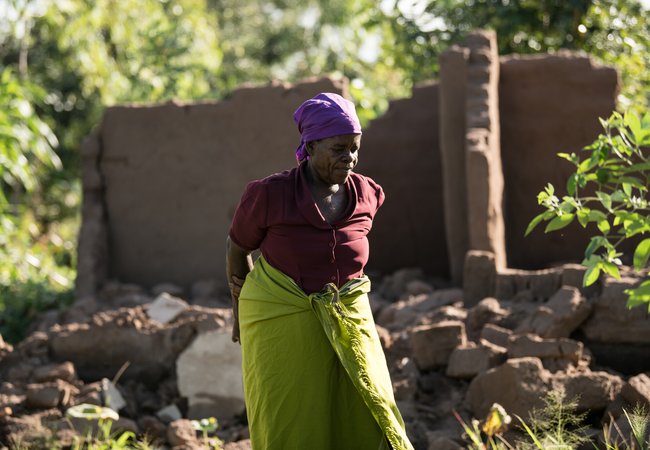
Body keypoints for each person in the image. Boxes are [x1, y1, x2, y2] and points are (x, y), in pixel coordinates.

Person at [226, 92, 413, 450]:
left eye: (355, 147)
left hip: (350, 320)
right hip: (284, 324)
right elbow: (237, 250)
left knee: (372, 410)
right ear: (310, 148)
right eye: (338, 149)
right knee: (292, 420)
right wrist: (240, 310)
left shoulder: (368, 195)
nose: (350, 158)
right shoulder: (270, 196)